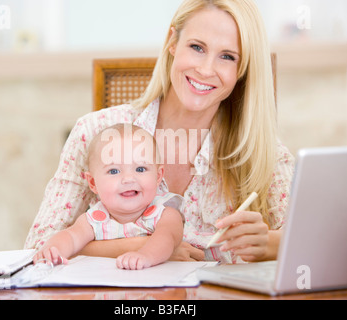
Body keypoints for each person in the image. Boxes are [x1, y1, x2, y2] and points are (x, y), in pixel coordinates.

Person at [25, 0, 295, 264]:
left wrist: (269, 245)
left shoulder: (261, 151)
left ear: (242, 69)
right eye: (197, 47)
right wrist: (144, 247)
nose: (205, 69)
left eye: (227, 56)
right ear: (172, 43)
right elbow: (38, 247)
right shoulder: (94, 131)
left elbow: (317, 245)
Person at [33, 124, 184, 270]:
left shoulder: (164, 214)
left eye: (140, 168)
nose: (128, 179)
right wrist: (54, 250)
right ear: (93, 183)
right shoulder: (94, 220)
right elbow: (71, 237)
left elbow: (167, 239)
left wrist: (146, 256)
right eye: (114, 171)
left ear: (158, 176)